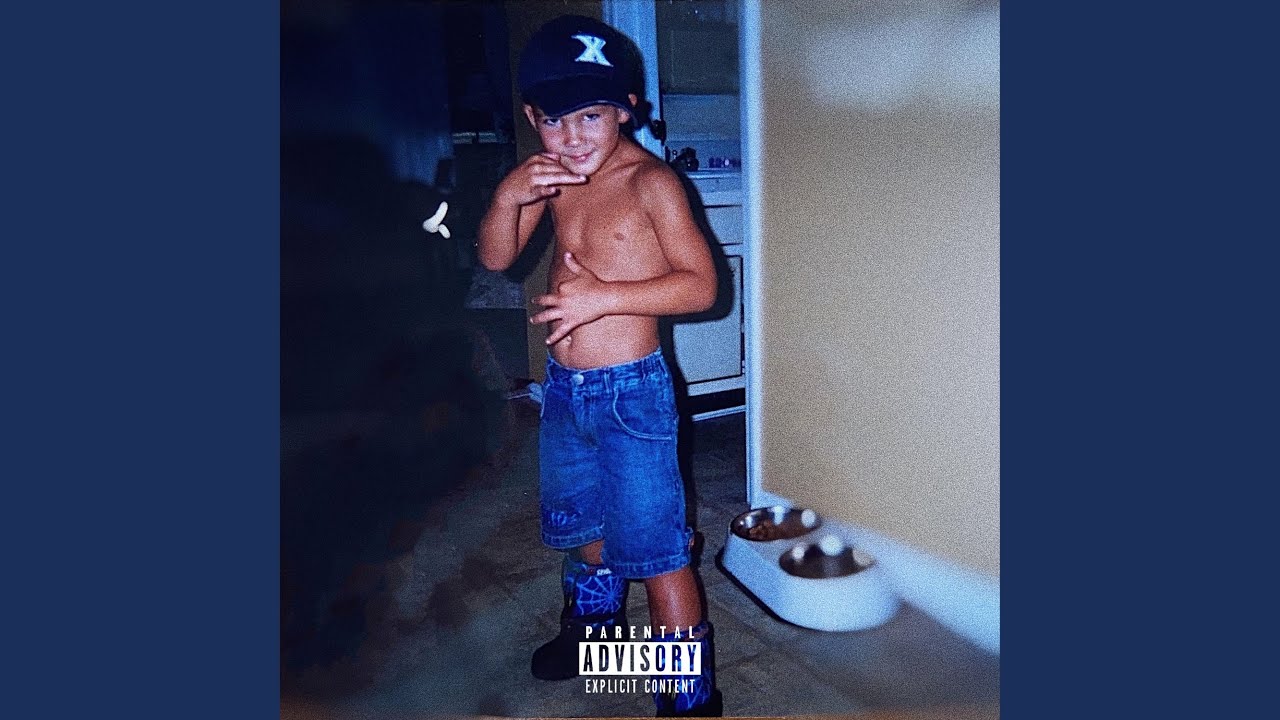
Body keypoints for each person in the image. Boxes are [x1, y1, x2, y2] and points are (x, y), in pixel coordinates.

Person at [476, 15, 722, 718]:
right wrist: (508, 196)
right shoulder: (550, 178)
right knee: (584, 530)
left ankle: (688, 695)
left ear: (626, 110)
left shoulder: (651, 183)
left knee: (656, 552)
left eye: (591, 115)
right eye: (555, 119)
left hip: (630, 398)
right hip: (563, 394)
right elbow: (496, 258)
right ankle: (595, 640)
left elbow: (702, 287)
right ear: (533, 118)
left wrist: (604, 297)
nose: (573, 135)